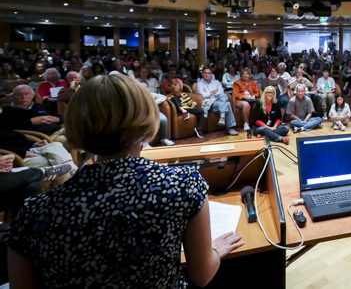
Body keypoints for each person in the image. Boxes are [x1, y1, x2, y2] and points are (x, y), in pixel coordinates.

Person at [6, 72, 244, 288]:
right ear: (146, 123)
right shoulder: (183, 185)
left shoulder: (33, 212)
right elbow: (202, 276)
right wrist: (213, 249)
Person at [195, 68, 238, 135]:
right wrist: (212, 93)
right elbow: (202, 95)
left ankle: (223, 118)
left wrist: (211, 93)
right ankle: (229, 128)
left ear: (211, 74)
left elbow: (221, 92)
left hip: (219, 101)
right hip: (210, 103)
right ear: (202, 74)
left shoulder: (216, 82)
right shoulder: (199, 84)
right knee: (227, 104)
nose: (207, 75)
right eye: (205, 73)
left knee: (224, 98)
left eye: (209, 73)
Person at [232, 68, 260, 133]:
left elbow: (258, 92)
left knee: (259, 102)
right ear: (241, 75)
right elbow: (235, 94)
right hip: (239, 100)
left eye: (247, 74)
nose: (245, 75)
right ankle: (246, 123)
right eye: (243, 74)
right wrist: (244, 96)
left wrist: (254, 96)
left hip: (252, 99)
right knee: (246, 104)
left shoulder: (253, 82)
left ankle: (257, 123)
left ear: (249, 75)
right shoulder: (237, 83)